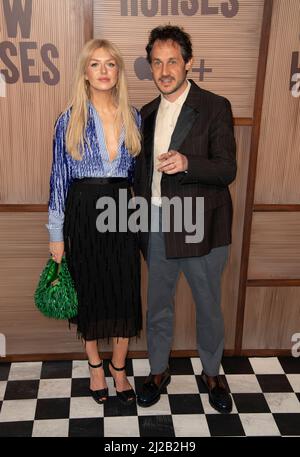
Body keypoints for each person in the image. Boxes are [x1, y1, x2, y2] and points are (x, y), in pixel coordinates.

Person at [134, 25, 237, 413]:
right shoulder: (145, 114)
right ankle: (158, 370)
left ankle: (213, 372)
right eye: (157, 62)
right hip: (157, 225)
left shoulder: (215, 106)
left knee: (209, 306)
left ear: (188, 63)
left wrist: (188, 163)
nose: (164, 70)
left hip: (202, 227)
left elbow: (227, 169)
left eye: (172, 61)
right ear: (150, 67)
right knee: (158, 304)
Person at [47, 39, 142, 406]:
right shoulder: (68, 119)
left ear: (118, 72)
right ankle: (95, 367)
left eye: (111, 64)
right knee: (88, 290)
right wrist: (56, 236)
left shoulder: (133, 117)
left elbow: (139, 177)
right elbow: (58, 180)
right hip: (82, 213)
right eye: (95, 64)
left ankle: (119, 368)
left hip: (122, 212)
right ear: (85, 73)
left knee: (123, 290)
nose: (103, 71)